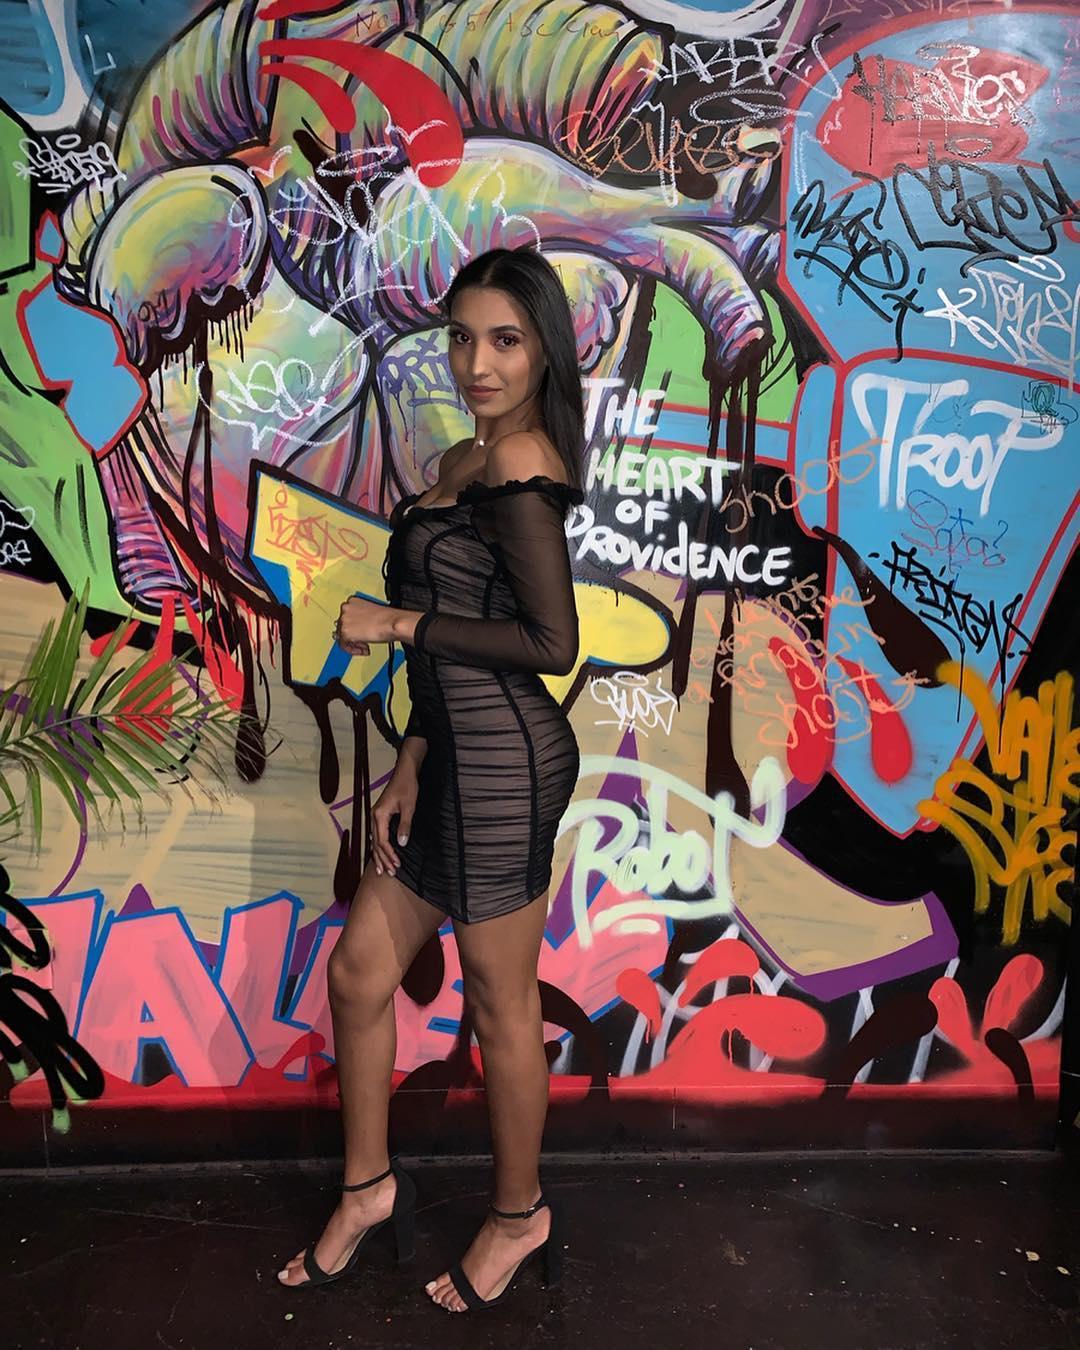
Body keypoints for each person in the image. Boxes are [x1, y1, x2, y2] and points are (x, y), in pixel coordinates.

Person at [277, 245, 585, 1312]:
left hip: (508, 767)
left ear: (543, 350)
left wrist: (397, 621)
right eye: (461, 338)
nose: (477, 363)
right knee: (361, 972)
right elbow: (459, 639)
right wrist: (411, 753)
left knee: (501, 1002)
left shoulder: (522, 462)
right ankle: (368, 1189)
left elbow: (550, 643)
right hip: (449, 755)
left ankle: (520, 1215)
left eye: (505, 341)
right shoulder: (465, 457)